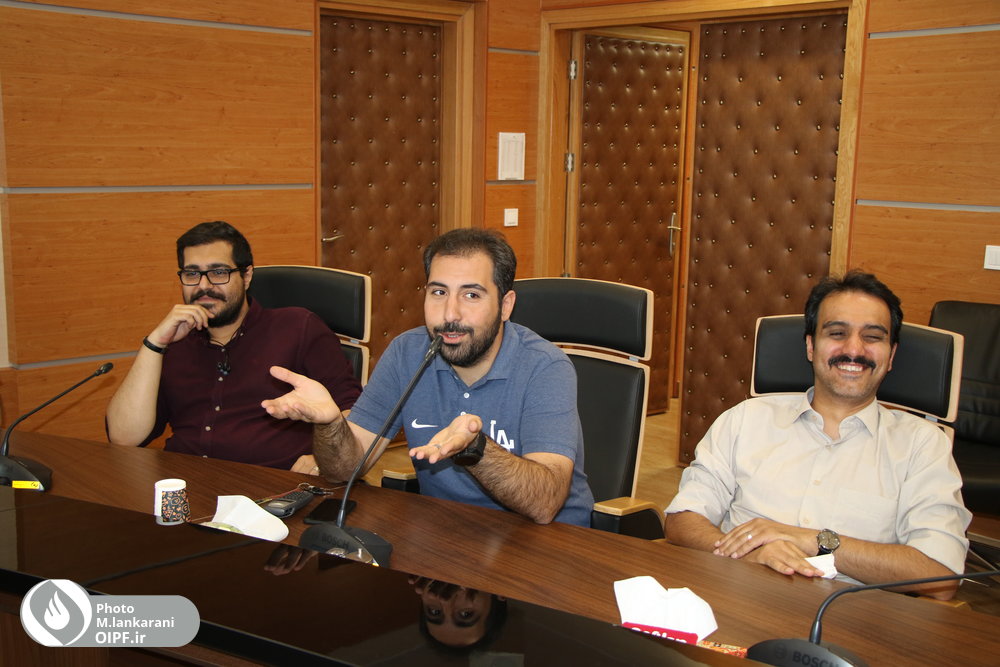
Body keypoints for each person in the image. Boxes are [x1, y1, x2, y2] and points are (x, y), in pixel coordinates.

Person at [664, 270, 971, 600]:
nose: (854, 349)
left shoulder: (922, 445)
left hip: (851, 619)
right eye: (837, 333)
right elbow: (682, 519)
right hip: (735, 602)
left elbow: (940, 575)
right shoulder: (745, 420)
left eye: (872, 337)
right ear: (811, 346)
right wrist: (746, 552)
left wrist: (813, 541)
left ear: (891, 355)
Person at [262, 228, 594, 525]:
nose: (450, 314)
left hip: (547, 546)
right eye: (438, 292)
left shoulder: (545, 367)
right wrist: (330, 424)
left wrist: (476, 449)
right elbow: (343, 471)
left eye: (471, 295)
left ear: (505, 306)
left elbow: (544, 504)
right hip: (445, 535)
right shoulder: (407, 353)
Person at [106, 221, 362, 472]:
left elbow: (354, 411)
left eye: (218, 272)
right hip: (187, 485)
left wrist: (321, 460)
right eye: (192, 274)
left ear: (246, 276)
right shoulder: (175, 342)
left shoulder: (297, 327)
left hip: (272, 487)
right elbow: (124, 438)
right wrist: (154, 344)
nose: (204, 286)